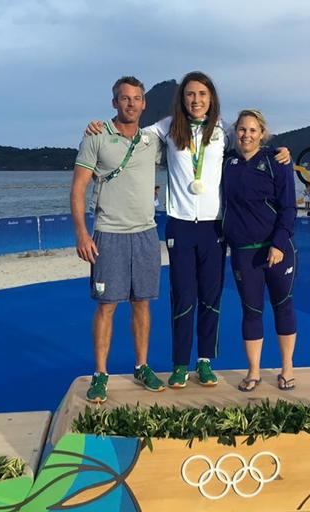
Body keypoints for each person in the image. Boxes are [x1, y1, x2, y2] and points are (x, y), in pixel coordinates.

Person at [86, 71, 291, 389]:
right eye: (190, 94)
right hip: (180, 224)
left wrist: (281, 152)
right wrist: (99, 127)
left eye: (203, 95)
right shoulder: (166, 127)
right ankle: (180, 364)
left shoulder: (223, 129)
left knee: (210, 297)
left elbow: (253, 145)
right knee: (182, 297)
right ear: (182, 98)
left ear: (212, 99)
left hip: (213, 226)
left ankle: (205, 361)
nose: (196, 100)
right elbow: (129, 133)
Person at [71, 76, 165, 403]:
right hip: (108, 235)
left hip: (146, 234)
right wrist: (82, 233)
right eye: (124, 98)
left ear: (144, 103)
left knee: (143, 304)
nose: (131, 104)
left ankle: (142, 366)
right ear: (114, 103)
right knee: (107, 307)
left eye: (136, 98)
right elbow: (78, 189)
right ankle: (100, 373)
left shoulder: (151, 141)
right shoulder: (96, 137)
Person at [222, 109, 298, 392]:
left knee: (283, 307)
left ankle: (287, 368)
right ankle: (253, 371)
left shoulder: (277, 161)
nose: (246, 135)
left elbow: (289, 207)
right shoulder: (226, 163)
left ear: (262, 133)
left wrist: (279, 243)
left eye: (253, 130)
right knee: (251, 311)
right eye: (242, 129)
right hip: (244, 252)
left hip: (277, 251)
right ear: (235, 132)